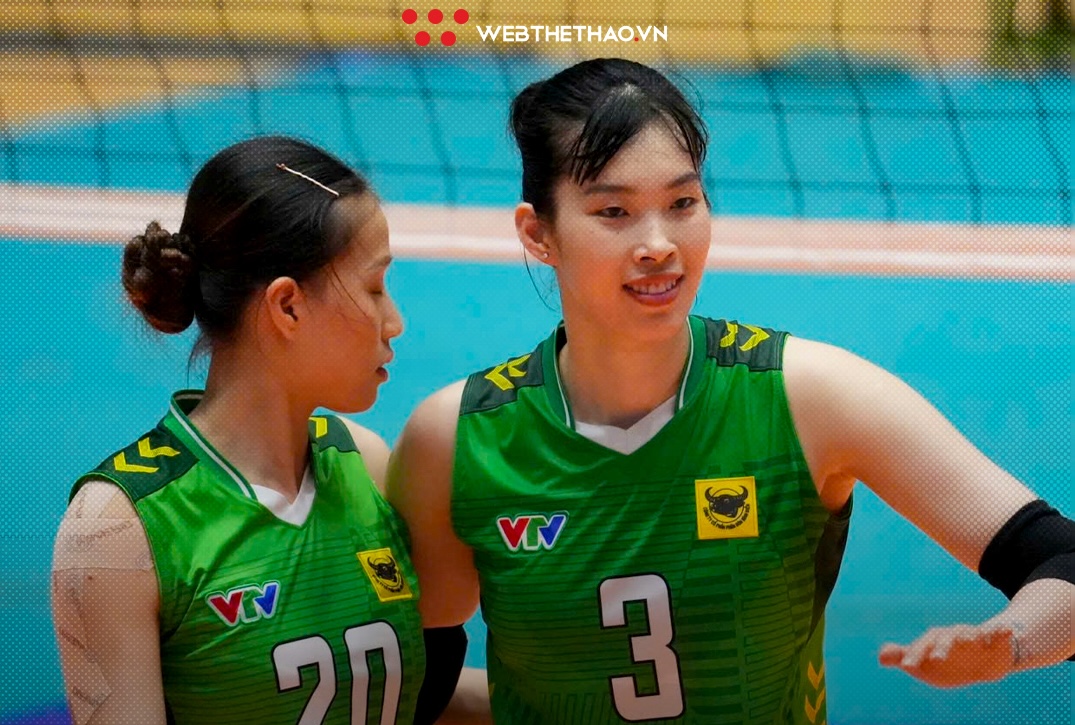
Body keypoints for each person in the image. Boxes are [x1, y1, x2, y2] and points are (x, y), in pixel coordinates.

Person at [387, 59, 1074, 723]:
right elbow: (416, 686)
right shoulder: (458, 439)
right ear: (538, 234)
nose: (659, 244)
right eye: (614, 211)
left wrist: (1010, 644)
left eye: (682, 203)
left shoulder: (810, 397)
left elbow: (1062, 560)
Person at [50, 136, 483, 724]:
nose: (395, 322)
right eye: (375, 288)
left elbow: (407, 699)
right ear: (288, 307)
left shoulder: (364, 463)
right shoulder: (117, 528)